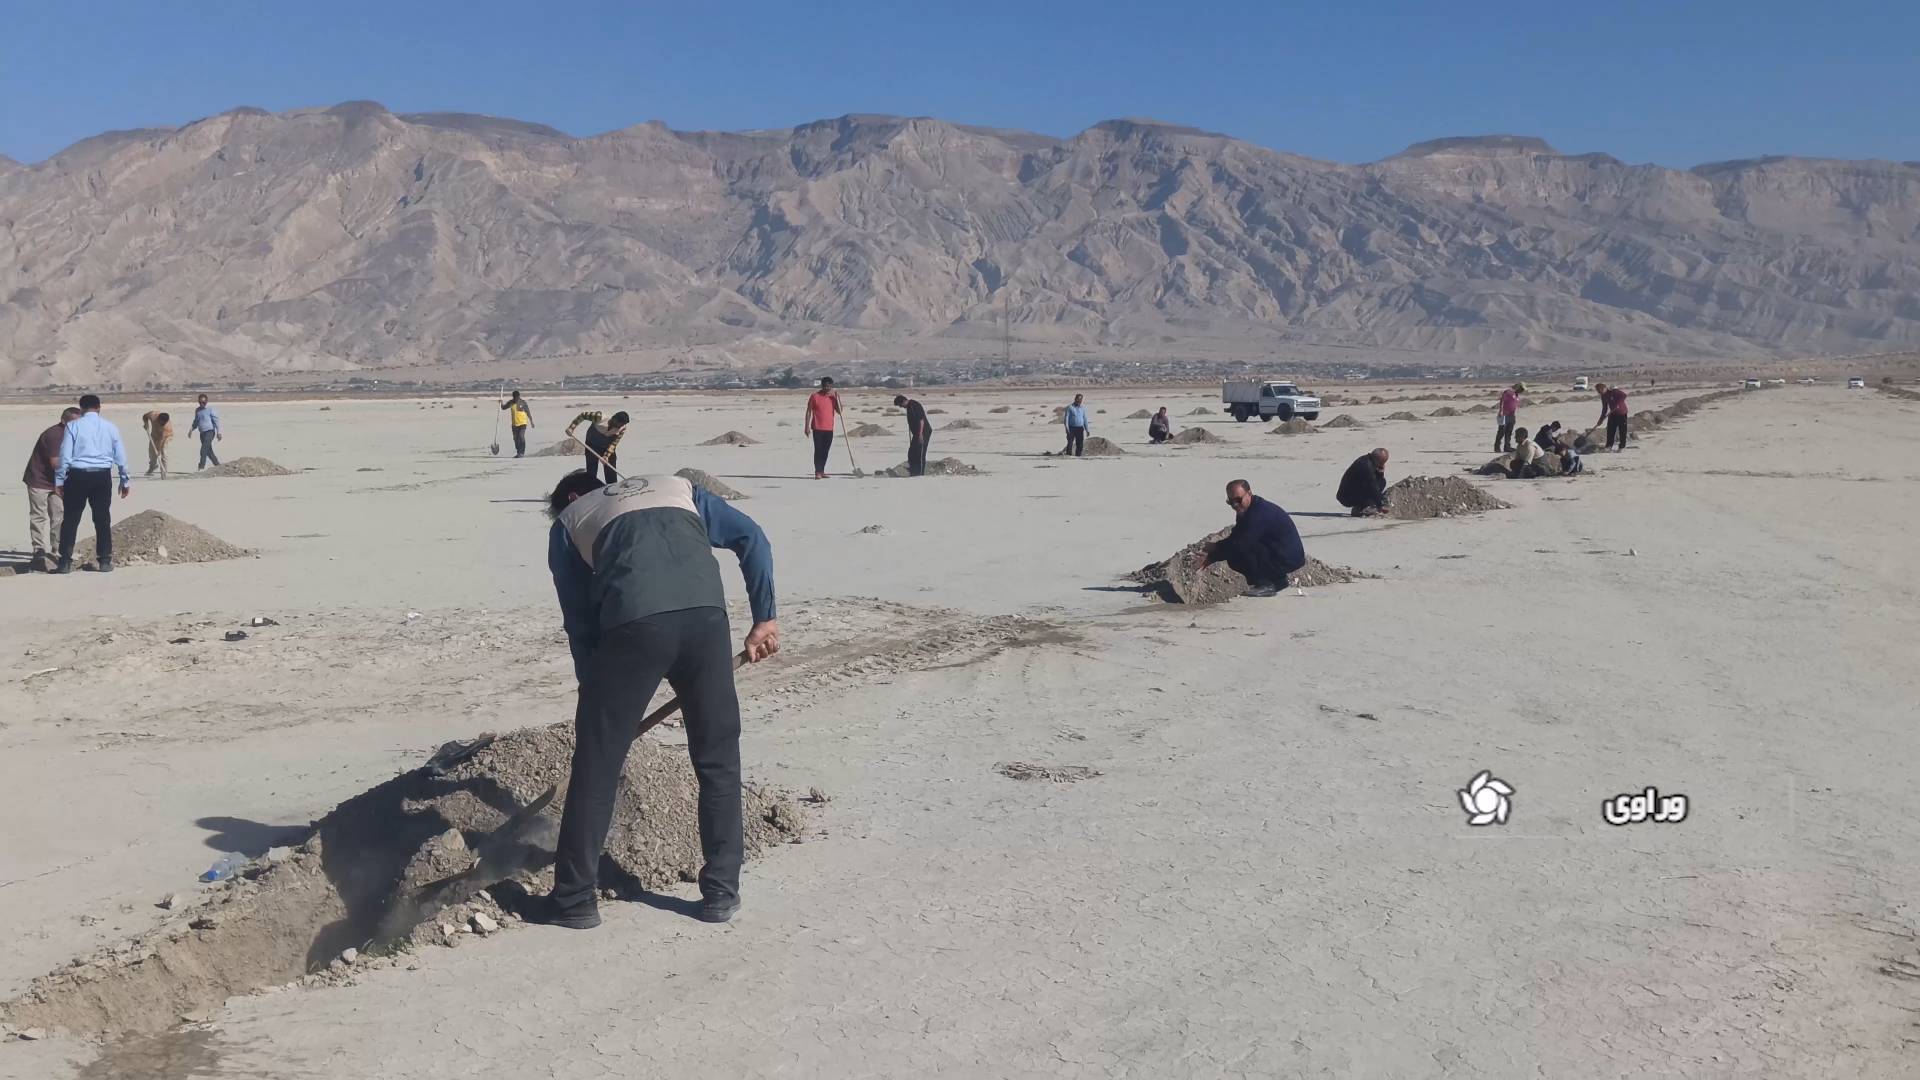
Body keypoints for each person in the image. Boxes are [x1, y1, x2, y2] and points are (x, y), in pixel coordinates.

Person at [537, 470, 780, 930]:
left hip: (634, 627)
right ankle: (721, 894)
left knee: (598, 764)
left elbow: (580, 620)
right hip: (706, 619)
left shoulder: (569, 522)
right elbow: (753, 537)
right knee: (717, 759)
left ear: (569, 496)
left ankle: (573, 901)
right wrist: (765, 618)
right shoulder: (679, 488)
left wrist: (598, 703)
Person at [55, 394, 131, 574]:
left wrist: (59, 480)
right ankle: (104, 560)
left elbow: (65, 455)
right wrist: (124, 479)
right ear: (99, 407)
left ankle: (65, 562)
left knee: (71, 519)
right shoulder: (110, 427)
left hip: (77, 475)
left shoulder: (73, 426)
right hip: (101, 476)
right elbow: (120, 456)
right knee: (102, 519)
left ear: (81, 409)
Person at [1198, 479, 1306, 597]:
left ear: (1249, 493)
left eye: (1238, 500)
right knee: (1238, 548)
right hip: (1280, 553)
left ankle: (1265, 585)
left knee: (1239, 555)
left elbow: (1240, 544)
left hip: (1289, 558)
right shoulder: (1248, 509)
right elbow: (1237, 536)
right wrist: (1215, 549)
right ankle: (1279, 581)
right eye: (1230, 501)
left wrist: (1213, 553)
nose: (1235, 505)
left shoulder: (1259, 513)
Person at [22, 407, 80, 572]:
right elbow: (56, 463)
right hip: (39, 480)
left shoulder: (73, 435)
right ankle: (38, 550)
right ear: (65, 421)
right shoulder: (55, 435)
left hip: (57, 481)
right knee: (38, 515)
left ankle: (58, 549)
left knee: (58, 514)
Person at [566, 410, 630, 482]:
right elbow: (583, 415)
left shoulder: (622, 429)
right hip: (592, 445)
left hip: (606, 447)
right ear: (614, 418)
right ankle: (590, 488)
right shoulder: (599, 417)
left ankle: (611, 488)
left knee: (611, 470)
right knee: (591, 471)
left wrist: (606, 456)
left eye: (622, 425)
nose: (620, 426)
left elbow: (614, 443)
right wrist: (571, 428)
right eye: (619, 424)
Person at [803, 377, 841, 479]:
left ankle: (822, 470)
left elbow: (840, 411)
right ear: (822, 385)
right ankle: (818, 472)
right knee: (818, 450)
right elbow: (808, 411)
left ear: (831, 386)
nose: (827, 388)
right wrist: (806, 426)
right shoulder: (815, 396)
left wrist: (837, 399)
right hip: (817, 427)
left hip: (829, 428)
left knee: (825, 451)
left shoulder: (833, 397)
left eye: (829, 386)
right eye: (825, 386)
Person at [1336, 448, 1390, 516]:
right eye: (1381, 462)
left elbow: (1376, 482)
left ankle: (1363, 506)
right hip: (1346, 497)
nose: (1382, 465)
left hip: (1353, 491)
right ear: (1376, 459)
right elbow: (1373, 485)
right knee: (1375, 486)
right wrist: (1380, 505)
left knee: (1382, 482)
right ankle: (1360, 509)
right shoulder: (1366, 466)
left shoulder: (1368, 460)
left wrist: (1380, 473)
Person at [893, 394, 931, 476]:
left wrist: (920, 434)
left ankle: (920, 473)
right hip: (917, 433)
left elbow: (921, 420)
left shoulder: (914, 405)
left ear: (903, 401)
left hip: (923, 432)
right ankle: (913, 470)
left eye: (900, 405)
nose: (900, 407)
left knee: (920, 453)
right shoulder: (909, 407)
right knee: (912, 453)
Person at [190, 394, 222, 470]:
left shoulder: (210, 409)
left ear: (206, 401)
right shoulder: (197, 410)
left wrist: (219, 432)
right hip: (202, 434)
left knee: (203, 450)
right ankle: (218, 466)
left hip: (210, 432)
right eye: (200, 402)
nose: (202, 404)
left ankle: (201, 467)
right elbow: (196, 422)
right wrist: (191, 429)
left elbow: (216, 421)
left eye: (203, 402)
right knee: (209, 451)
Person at [500, 391, 535, 457]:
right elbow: (503, 408)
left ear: (519, 396)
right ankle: (519, 452)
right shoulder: (511, 402)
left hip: (523, 423)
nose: (516, 399)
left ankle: (522, 452)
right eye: (515, 397)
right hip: (514, 424)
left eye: (517, 397)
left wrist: (531, 422)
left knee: (521, 437)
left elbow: (528, 412)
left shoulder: (523, 403)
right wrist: (501, 403)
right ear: (513, 397)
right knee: (515, 438)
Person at [1597, 382, 1630, 451]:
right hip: (1613, 414)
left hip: (1622, 413)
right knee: (1610, 431)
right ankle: (1609, 446)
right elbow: (1605, 408)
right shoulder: (1603, 396)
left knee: (1622, 431)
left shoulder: (1614, 392)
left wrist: (1618, 403)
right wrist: (1601, 419)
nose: (1600, 393)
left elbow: (1623, 395)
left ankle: (1622, 447)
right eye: (1599, 392)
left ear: (1605, 388)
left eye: (1601, 391)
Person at [141, 411, 173, 478]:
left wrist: (158, 450)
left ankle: (163, 471)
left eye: (164, 423)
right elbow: (145, 416)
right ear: (158, 419)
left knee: (163, 452)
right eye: (162, 423)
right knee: (152, 454)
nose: (163, 424)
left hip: (166, 437)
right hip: (154, 436)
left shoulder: (167, 427)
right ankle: (153, 466)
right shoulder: (153, 415)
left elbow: (161, 440)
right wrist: (146, 423)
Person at [1494, 382, 1524, 452]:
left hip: (1512, 415)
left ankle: (1507, 446)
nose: (1522, 391)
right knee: (1501, 431)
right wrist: (1501, 410)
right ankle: (1497, 447)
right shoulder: (1508, 392)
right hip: (1504, 414)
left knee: (1509, 432)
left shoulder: (1516, 395)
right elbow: (1502, 400)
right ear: (1518, 387)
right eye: (1521, 389)